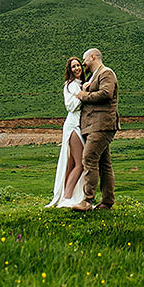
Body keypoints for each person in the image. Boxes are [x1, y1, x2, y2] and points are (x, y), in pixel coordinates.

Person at [73, 47, 119, 212]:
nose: (83, 63)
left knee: (89, 159)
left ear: (93, 57)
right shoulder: (95, 76)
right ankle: (107, 202)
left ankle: (87, 201)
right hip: (95, 125)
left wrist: (83, 96)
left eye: (85, 59)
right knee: (104, 164)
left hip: (101, 125)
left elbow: (106, 93)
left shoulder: (106, 73)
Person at [46, 57, 86, 208]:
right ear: (70, 70)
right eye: (73, 66)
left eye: (78, 65)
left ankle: (67, 194)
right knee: (80, 163)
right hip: (73, 125)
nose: (77, 68)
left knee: (72, 163)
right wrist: (82, 94)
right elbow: (70, 106)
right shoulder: (69, 86)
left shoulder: (81, 84)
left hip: (79, 125)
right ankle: (68, 197)